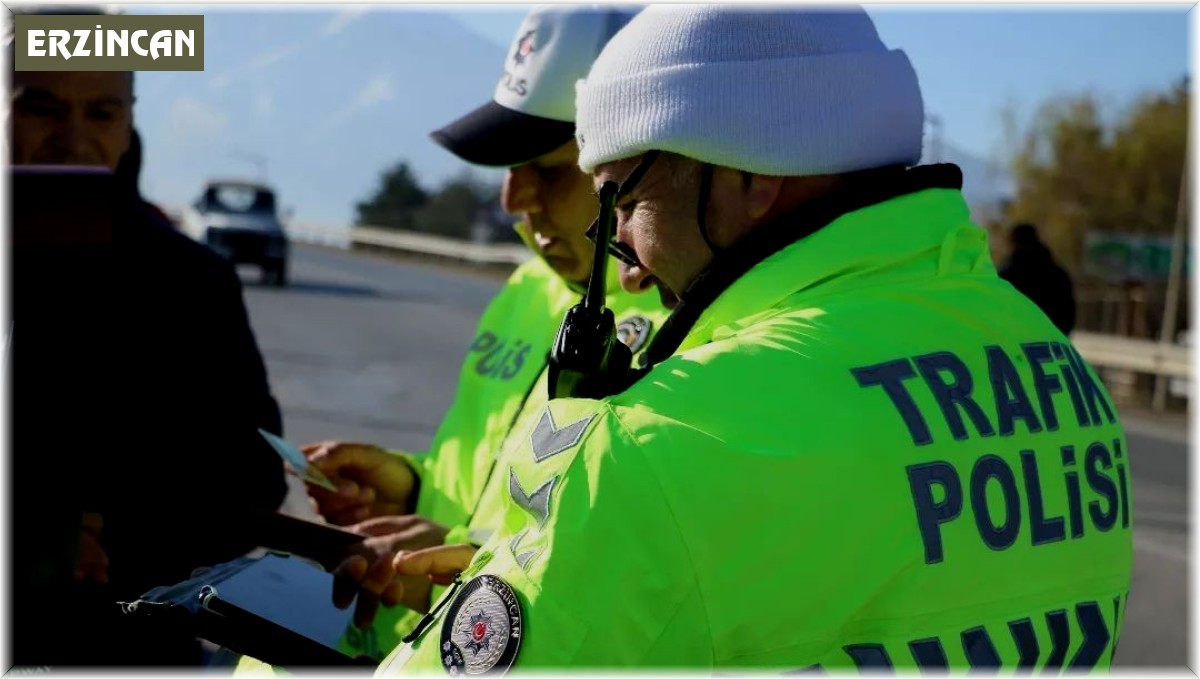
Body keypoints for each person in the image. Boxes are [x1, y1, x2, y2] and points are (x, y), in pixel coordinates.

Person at [336, 6, 1132, 672]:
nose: (629, 263)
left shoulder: (670, 439)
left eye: (623, 200)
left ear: (750, 177)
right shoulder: (1055, 367)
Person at [230, 4, 665, 670]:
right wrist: (405, 487)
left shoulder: (692, 325)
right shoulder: (527, 290)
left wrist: (467, 556)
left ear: (631, 164)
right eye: (506, 167)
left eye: (546, 168)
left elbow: (634, 575)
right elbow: (491, 491)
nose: (511, 199)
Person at [8, 19, 289, 666]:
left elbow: (255, 476)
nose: (73, 137)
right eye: (42, 106)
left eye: (102, 111)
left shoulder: (193, 282)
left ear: (130, 121)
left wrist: (112, 529)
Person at [1000, 222, 1077, 335]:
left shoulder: (1007, 276)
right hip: (1053, 342)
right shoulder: (1058, 274)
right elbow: (1068, 312)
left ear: (1013, 242)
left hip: (1016, 342)